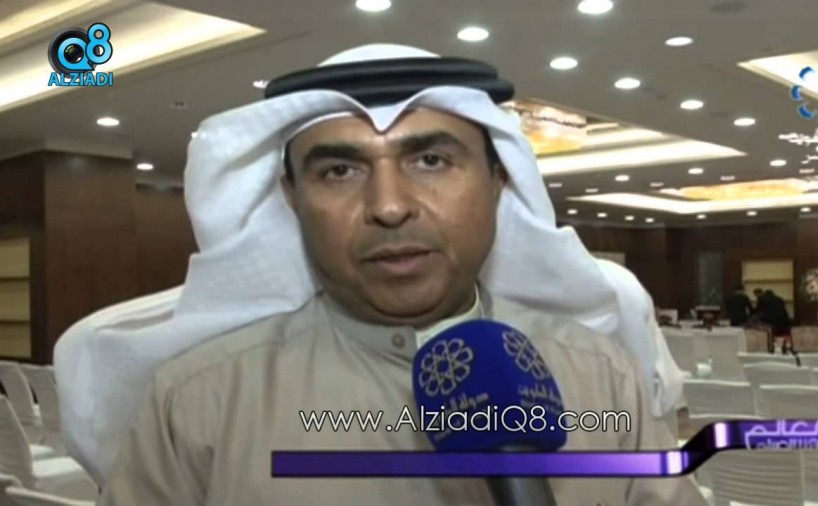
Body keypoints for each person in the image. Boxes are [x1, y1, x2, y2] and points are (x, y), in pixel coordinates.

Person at [58, 44, 699, 504]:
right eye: (340, 170)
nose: (389, 206)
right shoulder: (198, 403)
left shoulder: (602, 377)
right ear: (292, 197)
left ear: (498, 179)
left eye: (431, 160)